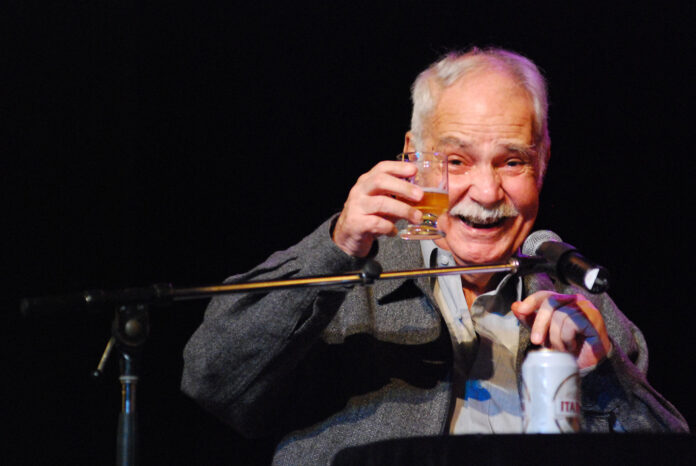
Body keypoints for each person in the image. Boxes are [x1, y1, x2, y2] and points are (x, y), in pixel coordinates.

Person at [181, 47, 688, 465]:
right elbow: (213, 379)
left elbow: (669, 450)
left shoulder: (578, 305)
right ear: (412, 158)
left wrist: (607, 374)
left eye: (513, 161)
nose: (487, 192)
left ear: (543, 163)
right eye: (456, 161)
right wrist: (334, 249)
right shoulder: (349, 282)